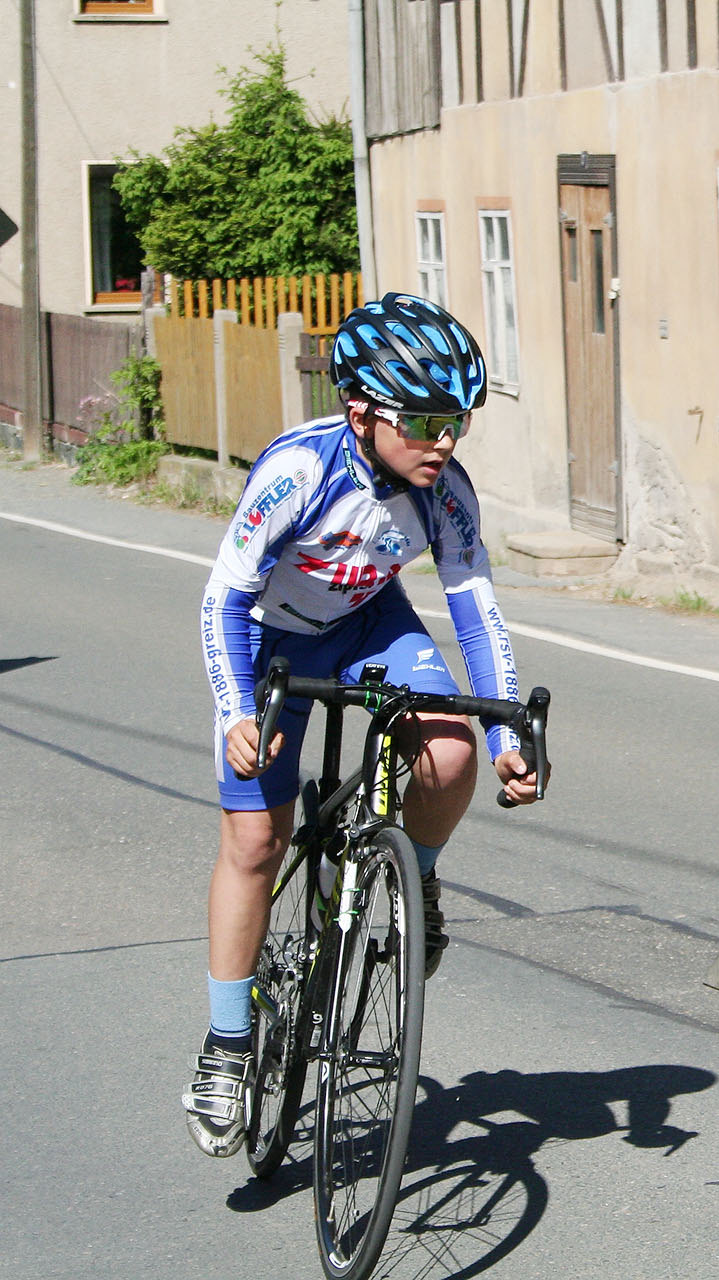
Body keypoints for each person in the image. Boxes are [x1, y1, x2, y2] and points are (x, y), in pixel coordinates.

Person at [182, 293, 542, 1158]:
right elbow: (223, 599)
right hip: (267, 640)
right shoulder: (298, 472)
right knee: (254, 843)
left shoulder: (445, 493)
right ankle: (227, 1044)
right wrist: (236, 712)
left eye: (455, 422)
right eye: (421, 422)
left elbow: (477, 615)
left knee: (450, 752)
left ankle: (417, 882)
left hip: (367, 626)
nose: (442, 442)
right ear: (360, 413)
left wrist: (507, 738)